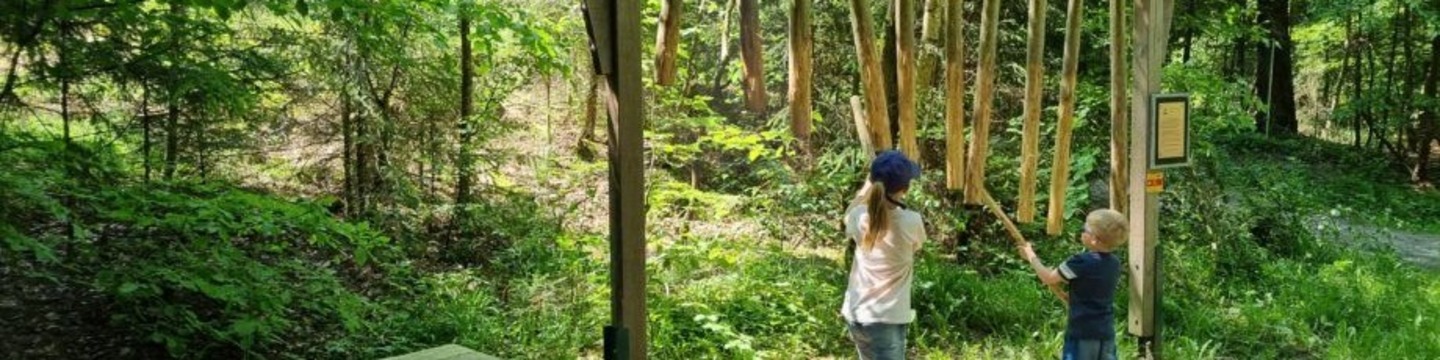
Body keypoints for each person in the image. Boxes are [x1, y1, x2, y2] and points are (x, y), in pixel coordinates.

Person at [842, 151, 925, 360]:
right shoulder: (911, 221)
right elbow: (916, 246)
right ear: (905, 188)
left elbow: (848, 215)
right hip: (886, 318)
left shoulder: (859, 217)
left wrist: (867, 186)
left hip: (857, 314)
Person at [1019, 209, 1129, 360]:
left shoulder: (1080, 261)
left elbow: (1048, 278)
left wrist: (1031, 256)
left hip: (1082, 332)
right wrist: (1067, 295)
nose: (1082, 232)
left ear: (1095, 239)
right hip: (1105, 332)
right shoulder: (1114, 263)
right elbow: (1092, 286)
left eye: (1085, 230)